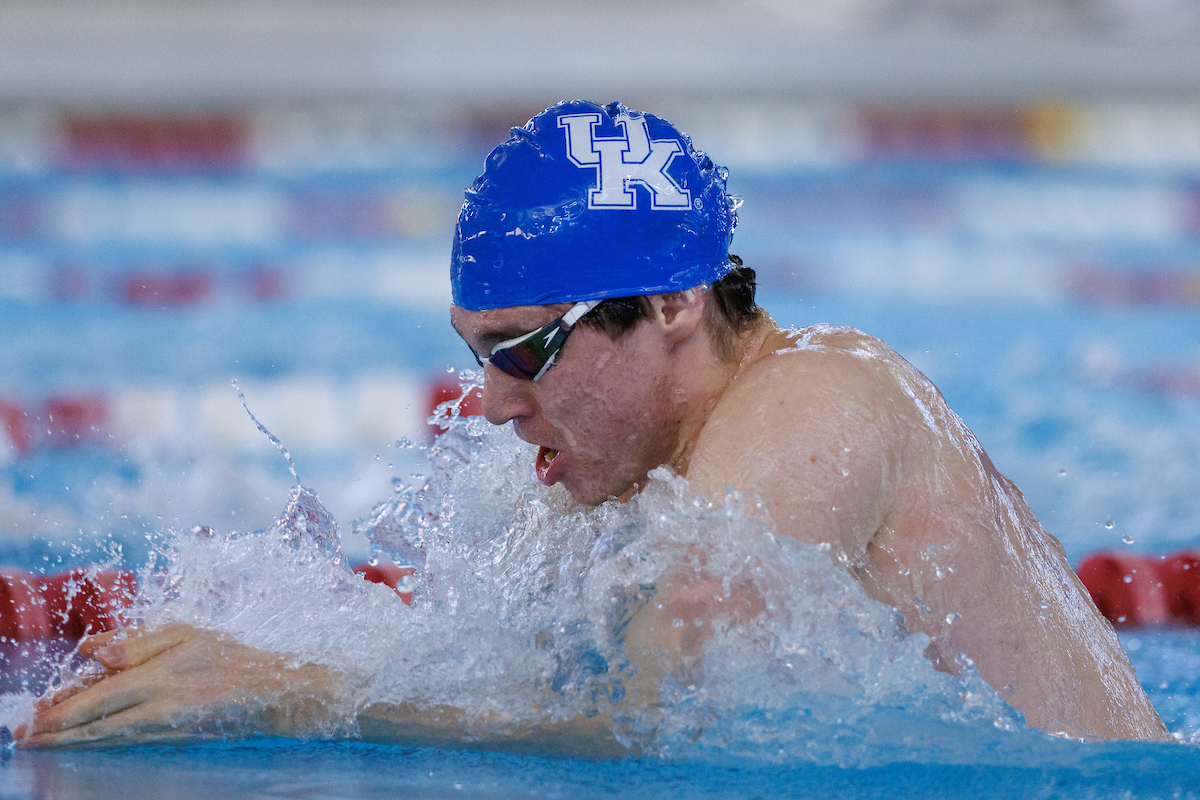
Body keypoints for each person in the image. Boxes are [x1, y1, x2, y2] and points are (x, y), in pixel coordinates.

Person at [16, 100, 1167, 750]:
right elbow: (509, 673)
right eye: (476, 354)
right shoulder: (644, 467)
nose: (495, 400)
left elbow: (669, 723)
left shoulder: (817, 405)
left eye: (525, 348)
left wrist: (305, 691)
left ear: (671, 305)